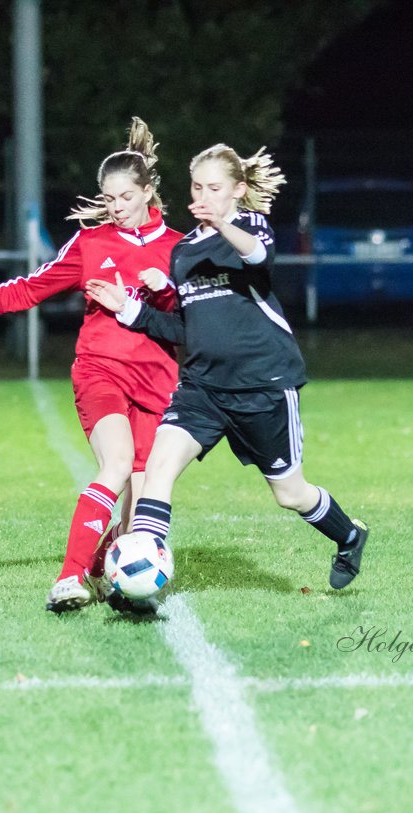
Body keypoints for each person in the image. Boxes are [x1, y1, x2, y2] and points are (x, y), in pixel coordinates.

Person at [86, 143, 369, 605]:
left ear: (237, 190)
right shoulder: (183, 251)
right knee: (156, 469)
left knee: (290, 494)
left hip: (262, 386)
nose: (205, 196)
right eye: (198, 187)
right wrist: (132, 310)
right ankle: (138, 581)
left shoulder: (249, 226)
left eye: (215, 188)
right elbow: (186, 326)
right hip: (202, 387)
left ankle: (349, 536)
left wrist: (222, 223)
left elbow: (259, 258)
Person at [0, 118, 183, 612]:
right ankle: (69, 579)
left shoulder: (180, 247)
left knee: (139, 506)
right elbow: (29, 288)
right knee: (113, 467)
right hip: (101, 371)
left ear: (148, 192)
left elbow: (194, 317)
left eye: (125, 198)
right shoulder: (91, 245)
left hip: (157, 382)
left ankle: (104, 566)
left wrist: (164, 290)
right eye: (108, 198)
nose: (115, 207)